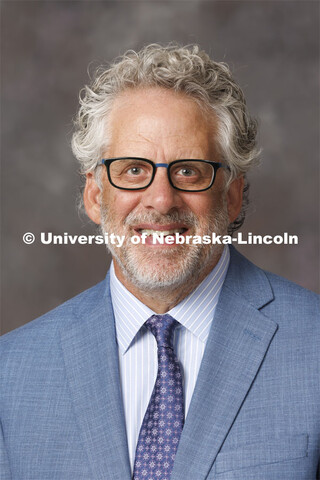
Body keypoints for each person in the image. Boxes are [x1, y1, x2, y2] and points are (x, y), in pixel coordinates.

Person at [0, 44, 319, 480]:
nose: (161, 199)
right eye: (133, 169)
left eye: (188, 170)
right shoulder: (11, 372)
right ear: (95, 195)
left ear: (231, 193)